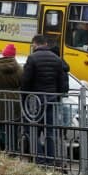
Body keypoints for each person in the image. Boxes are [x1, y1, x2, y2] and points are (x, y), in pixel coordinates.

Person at [21, 34, 69, 166]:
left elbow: (26, 81)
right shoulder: (57, 59)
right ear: (46, 44)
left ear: (35, 44)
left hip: (35, 101)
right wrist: (56, 96)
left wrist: (24, 98)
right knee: (50, 131)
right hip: (52, 100)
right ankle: (50, 159)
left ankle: (40, 158)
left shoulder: (32, 58)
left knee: (32, 130)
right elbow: (61, 82)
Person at [0, 44, 22, 151]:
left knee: (2, 125)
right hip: (16, 100)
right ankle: (13, 148)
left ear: (4, 54)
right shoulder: (19, 68)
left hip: (0, 100)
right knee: (14, 125)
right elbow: (22, 83)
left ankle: (5, 147)